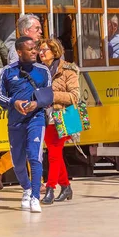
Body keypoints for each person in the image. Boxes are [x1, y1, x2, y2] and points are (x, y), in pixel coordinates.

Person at [0, 36, 53, 213]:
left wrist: (37, 104)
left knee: (35, 157)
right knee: (18, 162)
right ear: (19, 52)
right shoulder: (7, 72)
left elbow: (49, 95)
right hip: (15, 121)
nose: (35, 51)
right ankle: (27, 189)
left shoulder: (43, 71)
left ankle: (35, 197)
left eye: (35, 48)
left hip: (36, 119)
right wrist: (14, 103)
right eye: (30, 49)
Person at [0, 13, 44, 190]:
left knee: (35, 143)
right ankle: (2, 168)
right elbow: (16, 78)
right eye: (37, 29)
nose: (41, 32)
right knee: (29, 143)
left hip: (35, 101)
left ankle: (0, 168)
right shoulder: (17, 51)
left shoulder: (35, 48)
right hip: (23, 103)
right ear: (26, 31)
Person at [37, 38, 79, 204]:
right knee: (55, 154)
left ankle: (50, 189)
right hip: (44, 117)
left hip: (61, 117)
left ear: (54, 52)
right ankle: (66, 186)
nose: (41, 53)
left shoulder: (68, 70)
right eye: (40, 50)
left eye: (44, 50)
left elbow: (74, 96)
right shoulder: (39, 70)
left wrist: (53, 95)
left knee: (54, 154)